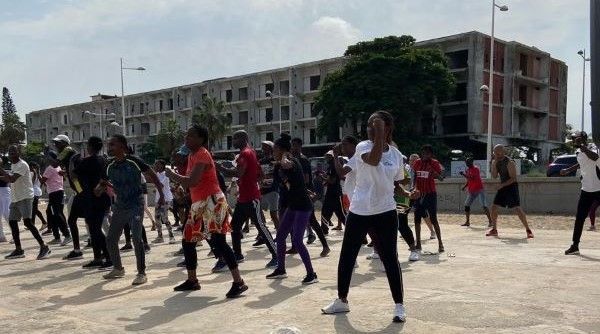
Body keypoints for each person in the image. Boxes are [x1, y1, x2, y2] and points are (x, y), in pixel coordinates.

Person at [321, 111, 414, 323]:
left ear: (388, 128)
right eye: (370, 125)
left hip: (386, 211)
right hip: (359, 211)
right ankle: (342, 300)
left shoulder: (397, 156)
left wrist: (407, 193)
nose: (370, 128)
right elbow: (373, 161)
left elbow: (397, 181)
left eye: (376, 124)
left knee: (390, 258)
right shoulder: (363, 147)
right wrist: (379, 134)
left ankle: (399, 305)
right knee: (347, 256)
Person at [166, 124, 248, 297]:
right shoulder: (192, 156)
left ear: (201, 139)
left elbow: (192, 181)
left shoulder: (203, 154)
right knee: (188, 241)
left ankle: (239, 282)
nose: (186, 138)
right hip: (199, 203)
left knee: (219, 242)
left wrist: (171, 175)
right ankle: (192, 280)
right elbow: (193, 184)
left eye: (191, 136)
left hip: (213, 202)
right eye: (186, 136)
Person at [95, 134, 165, 285]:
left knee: (136, 238)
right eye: (109, 145)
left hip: (136, 204)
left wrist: (162, 196)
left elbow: (153, 176)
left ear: (122, 146)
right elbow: (103, 182)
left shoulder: (134, 161)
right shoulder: (109, 165)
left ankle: (141, 273)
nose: (110, 147)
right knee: (111, 238)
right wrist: (99, 189)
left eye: (113, 144)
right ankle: (118, 268)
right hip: (120, 205)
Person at [216, 130, 277, 270]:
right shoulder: (251, 153)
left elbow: (238, 173)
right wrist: (251, 182)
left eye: (235, 138)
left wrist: (219, 167)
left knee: (261, 227)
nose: (233, 141)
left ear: (243, 139)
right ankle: (238, 255)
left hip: (250, 198)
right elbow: (260, 175)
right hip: (244, 198)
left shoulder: (245, 153)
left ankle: (276, 255)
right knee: (235, 227)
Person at [266, 134, 318, 284]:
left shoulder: (292, 161)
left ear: (282, 150)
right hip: (292, 205)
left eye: (275, 149)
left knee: (297, 240)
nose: (273, 151)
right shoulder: (278, 166)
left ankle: (311, 274)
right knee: (281, 236)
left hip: (303, 205)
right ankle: (281, 269)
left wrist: (283, 158)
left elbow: (287, 164)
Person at [69, 137, 113, 267]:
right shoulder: (104, 161)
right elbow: (106, 178)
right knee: (95, 229)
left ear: (91, 147)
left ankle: (108, 257)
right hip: (102, 197)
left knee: (95, 230)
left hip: (90, 199)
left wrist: (79, 191)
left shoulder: (86, 161)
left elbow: (73, 176)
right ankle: (98, 258)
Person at [1, 145, 51, 260]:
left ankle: (44, 247)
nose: (11, 154)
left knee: (28, 223)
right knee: (12, 222)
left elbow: (12, 179)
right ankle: (18, 249)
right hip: (16, 198)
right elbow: (9, 178)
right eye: (9, 152)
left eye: (13, 152)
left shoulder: (23, 165)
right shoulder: (14, 165)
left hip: (25, 197)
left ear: (19, 153)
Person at [290, 137, 330, 257]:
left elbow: (306, 179)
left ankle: (325, 246)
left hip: (305, 194)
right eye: (292, 145)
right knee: (292, 219)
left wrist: (305, 191)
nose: (293, 148)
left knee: (312, 221)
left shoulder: (303, 160)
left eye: (295, 145)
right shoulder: (294, 159)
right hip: (296, 194)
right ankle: (294, 246)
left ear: (300, 146)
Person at [562, 131, 600, 255]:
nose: (573, 141)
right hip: (586, 189)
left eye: (575, 139)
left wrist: (583, 146)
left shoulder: (593, 147)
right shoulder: (578, 151)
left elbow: (595, 158)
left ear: (582, 139)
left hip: (599, 188)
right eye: (573, 139)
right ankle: (575, 245)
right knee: (579, 218)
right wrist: (568, 170)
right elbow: (582, 163)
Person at [52, 135, 89, 257]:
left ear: (65, 143)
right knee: (88, 219)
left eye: (58, 143)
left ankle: (80, 249)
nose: (56, 146)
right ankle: (90, 243)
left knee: (75, 220)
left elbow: (55, 163)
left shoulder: (67, 150)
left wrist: (80, 192)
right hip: (80, 190)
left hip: (80, 190)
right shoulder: (71, 154)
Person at [487, 144, 533, 239]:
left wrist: (501, 185)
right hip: (503, 186)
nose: (497, 155)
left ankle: (528, 230)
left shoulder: (509, 162)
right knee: (494, 207)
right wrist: (494, 164)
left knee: (517, 209)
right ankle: (494, 230)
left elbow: (513, 178)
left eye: (499, 153)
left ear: (504, 152)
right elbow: (495, 176)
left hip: (511, 186)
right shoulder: (496, 161)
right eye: (495, 153)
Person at [412, 145, 445, 253]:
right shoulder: (417, 163)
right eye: (423, 153)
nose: (424, 155)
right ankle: (418, 244)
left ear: (431, 154)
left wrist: (435, 173)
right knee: (417, 218)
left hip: (430, 194)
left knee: (434, 219)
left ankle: (440, 244)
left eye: (427, 153)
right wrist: (413, 186)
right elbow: (415, 175)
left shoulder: (434, 163)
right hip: (419, 194)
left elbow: (441, 178)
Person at [41, 152, 72, 246]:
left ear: (52, 158)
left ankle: (66, 235)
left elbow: (42, 180)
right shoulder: (58, 167)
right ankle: (57, 236)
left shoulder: (50, 168)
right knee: (52, 213)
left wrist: (38, 173)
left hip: (54, 194)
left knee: (56, 214)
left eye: (48, 157)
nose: (46, 158)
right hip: (59, 193)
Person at [408, 154, 436, 240]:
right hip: (410, 193)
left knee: (423, 214)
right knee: (404, 211)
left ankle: (432, 231)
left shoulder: (421, 170)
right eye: (411, 160)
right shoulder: (408, 170)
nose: (412, 162)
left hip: (420, 194)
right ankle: (406, 230)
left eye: (414, 160)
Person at [459, 157, 492, 227]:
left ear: (472, 162)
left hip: (479, 189)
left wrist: (463, 174)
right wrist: (465, 186)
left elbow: (472, 177)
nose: (467, 164)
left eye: (468, 162)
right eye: (466, 163)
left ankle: (490, 221)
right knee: (466, 205)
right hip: (471, 190)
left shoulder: (476, 169)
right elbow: (469, 180)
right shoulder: (467, 170)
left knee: (484, 205)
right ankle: (467, 222)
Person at [152, 159, 176, 244]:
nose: (156, 166)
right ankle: (160, 236)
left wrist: (154, 179)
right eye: (155, 164)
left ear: (163, 166)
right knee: (157, 217)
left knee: (164, 218)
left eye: (158, 164)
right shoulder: (157, 174)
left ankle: (171, 236)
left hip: (165, 199)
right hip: (158, 199)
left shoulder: (165, 175)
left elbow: (160, 185)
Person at [321, 151, 346, 231]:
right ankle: (324, 229)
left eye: (327, 156)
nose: (326, 158)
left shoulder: (333, 166)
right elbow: (330, 180)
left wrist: (323, 178)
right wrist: (325, 180)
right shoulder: (330, 166)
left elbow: (332, 181)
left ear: (331, 157)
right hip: (331, 193)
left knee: (341, 214)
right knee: (325, 211)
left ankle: (358, 233)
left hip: (336, 193)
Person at [259, 141, 280, 231]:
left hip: (273, 189)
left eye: (265, 146)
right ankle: (263, 231)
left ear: (271, 148)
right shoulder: (261, 161)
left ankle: (279, 232)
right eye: (262, 146)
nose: (263, 148)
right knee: (258, 211)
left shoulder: (275, 160)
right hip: (262, 189)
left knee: (273, 214)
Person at [29, 163, 48, 231]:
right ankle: (33, 223)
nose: (29, 168)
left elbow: (31, 183)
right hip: (37, 192)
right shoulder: (39, 174)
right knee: (34, 209)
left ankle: (44, 222)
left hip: (34, 192)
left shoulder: (33, 174)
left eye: (30, 167)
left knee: (34, 209)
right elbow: (43, 183)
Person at [0, 156, 9, 243]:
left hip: (4, 192)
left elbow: (7, 179)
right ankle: (1, 236)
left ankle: (15, 234)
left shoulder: (4, 171)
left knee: (7, 214)